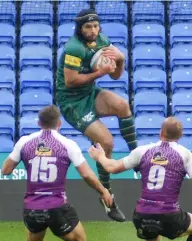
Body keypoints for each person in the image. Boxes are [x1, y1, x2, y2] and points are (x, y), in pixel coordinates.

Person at [1, 105, 113, 241]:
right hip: (57, 206)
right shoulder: (67, 144)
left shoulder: (25, 142)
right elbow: (86, 175)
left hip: (32, 207)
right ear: (59, 123)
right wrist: (103, 191)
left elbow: (5, 170)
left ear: (38, 123)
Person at [56, 8, 138, 222]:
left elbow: (116, 75)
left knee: (122, 106)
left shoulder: (103, 40)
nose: (93, 30)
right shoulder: (74, 48)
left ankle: (137, 157)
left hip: (90, 93)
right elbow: (70, 81)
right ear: (80, 28)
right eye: (88, 27)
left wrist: (120, 60)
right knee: (107, 143)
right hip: (72, 102)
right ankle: (107, 196)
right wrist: (99, 73)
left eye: (95, 26)